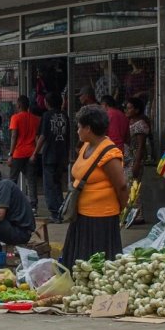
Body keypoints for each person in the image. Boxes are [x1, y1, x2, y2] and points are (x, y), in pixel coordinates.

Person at [61, 105, 128, 269]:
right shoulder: (86, 145)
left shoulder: (109, 154)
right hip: (81, 216)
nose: (77, 131)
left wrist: (122, 210)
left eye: (79, 127)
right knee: (78, 265)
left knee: (96, 267)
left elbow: (122, 186)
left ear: (88, 129)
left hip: (101, 219)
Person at [32, 92, 70, 222]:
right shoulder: (65, 116)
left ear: (47, 103)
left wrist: (35, 153)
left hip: (49, 155)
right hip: (62, 155)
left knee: (49, 185)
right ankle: (62, 210)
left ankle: (55, 213)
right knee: (58, 184)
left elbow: (42, 136)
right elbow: (69, 136)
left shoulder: (46, 115)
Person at [8, 95, 40, 212]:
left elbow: (14, 136)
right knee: (31, 180)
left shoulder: (15, 118)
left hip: (18, 153)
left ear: (19, 105)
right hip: (31, 152)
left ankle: (11, 204)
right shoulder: (36, 119)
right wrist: (36, 153)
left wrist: (10, 154)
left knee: (12, 180)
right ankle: (33, 206)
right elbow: (37, 137)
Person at [124, 97, 150, 223]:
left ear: (137, 110)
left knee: (133, 186)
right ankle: (132, 213)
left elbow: (141, 146)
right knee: (129, 185)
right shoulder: (130, 122)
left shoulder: (140, 124)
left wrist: (137, 163)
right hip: (129, 158)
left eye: (130, 108)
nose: (127, 110)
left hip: (135, 159)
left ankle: (138, 215)